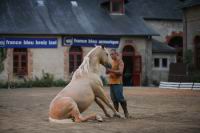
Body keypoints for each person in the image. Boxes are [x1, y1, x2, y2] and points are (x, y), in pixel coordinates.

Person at [106, 49, 129, 118]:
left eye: (112, 54)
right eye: (110, 54)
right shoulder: (112, 62)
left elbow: (121, 72)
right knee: (114, 99)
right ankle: (116, 113)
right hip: (111, 82)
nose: (111, 56)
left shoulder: (120, 61)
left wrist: (110, 70)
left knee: (120, 98)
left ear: (116, 54)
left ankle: (126, 111)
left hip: (118, 82)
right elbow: (108, 72)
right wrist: (107, 71)